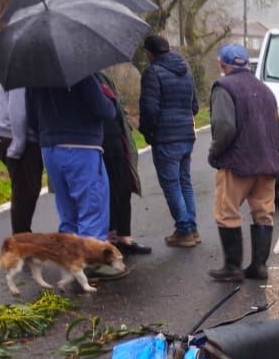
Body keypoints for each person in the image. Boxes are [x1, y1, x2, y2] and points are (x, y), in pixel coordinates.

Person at [207, 43, 279, 282]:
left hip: (237, 163)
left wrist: (215, 153)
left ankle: (232, 267)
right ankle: (259, 266)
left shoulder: (224, 87)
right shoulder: (266, 90)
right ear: (247, 63)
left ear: (222, 63)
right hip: (267, 163)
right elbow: (278, 130)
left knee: (227, 211)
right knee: (263, 213)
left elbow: (225, 127)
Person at [27, 76, 116, 246]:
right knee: (91, 206)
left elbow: (31, 117)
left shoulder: (34, 78)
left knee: (67, 208)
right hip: (82, 146)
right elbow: (104, 110)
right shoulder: (81, 73)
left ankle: (69, 257)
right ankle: (91, 259)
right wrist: (109, 101)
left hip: (50, 148)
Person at [139, 35, 201, 248]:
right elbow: (195, 107)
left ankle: (184, 230)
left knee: (172, 184)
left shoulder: (152, 72)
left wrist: (148, 133)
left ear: (150, 53)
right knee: (185, 181)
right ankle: (191, 228)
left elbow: (149, 109)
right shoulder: (186, 72)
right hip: (186, 135)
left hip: (166, 138)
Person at [98, 72, 148, 255]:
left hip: (117, 142)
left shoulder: (103, 77)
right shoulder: (79, 81)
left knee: (123, 188)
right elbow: (105, 110)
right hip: (97, 144)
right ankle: (109, 237)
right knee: (105, 192)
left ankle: (124, 237)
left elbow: (116, 110)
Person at [0, 86, 42, 235]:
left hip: (15, 135)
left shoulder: (28, 65)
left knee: (28, 190)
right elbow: (17, 106)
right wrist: (18, 144)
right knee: (25, 192)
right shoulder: (22, 66)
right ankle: (21, 244)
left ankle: (22, 240)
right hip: (13, 134)